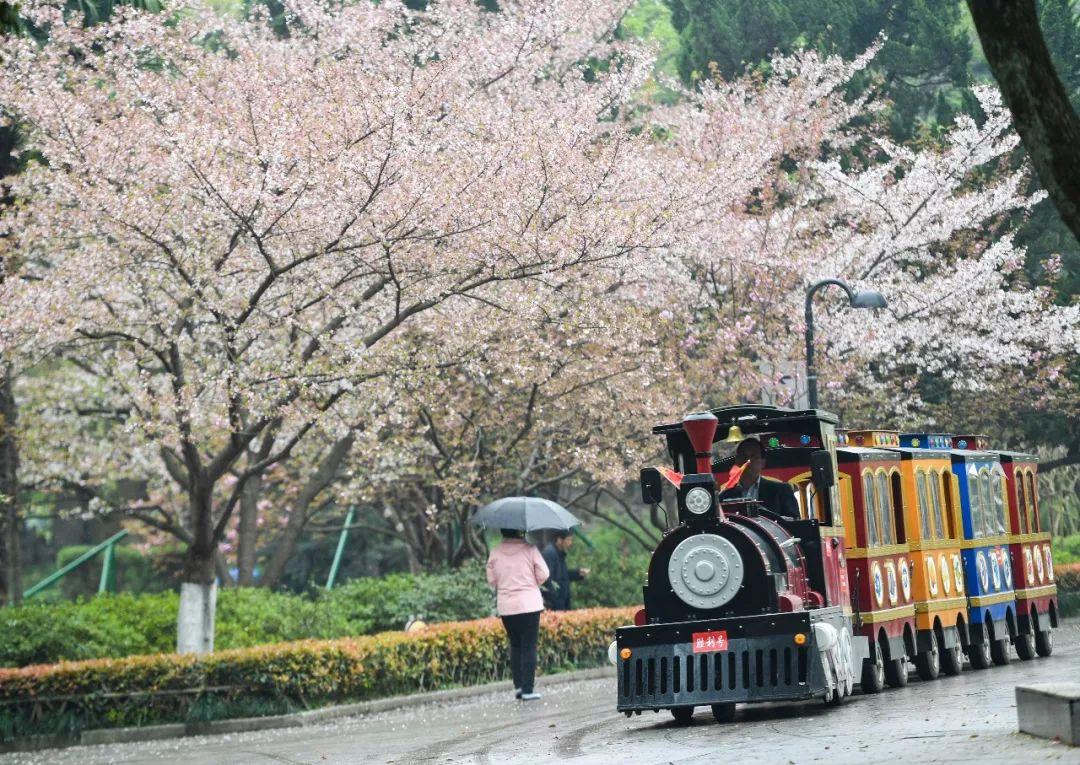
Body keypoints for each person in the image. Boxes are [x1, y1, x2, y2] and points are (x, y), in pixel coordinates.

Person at [486, 528, 549, 701]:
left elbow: (491, 580)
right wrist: (531, 582)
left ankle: (519, 687)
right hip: (529, 604)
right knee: (529, 645)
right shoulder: (530, 550)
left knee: (515, 645)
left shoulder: (495, 552)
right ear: (520, 531)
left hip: (507, 607)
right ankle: (528, 690)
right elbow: (544, 573)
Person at [718, 437, 800, 520]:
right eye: (744, 456)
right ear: (737, 461)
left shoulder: (782, 490)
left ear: (763, 462)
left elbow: (794, 521)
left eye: (753, 456)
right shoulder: (724, 496)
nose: (748, 460)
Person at [541, 531, 590, 611]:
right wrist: (556, 602)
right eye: (568, 540)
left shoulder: (559, 553)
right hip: (555, 604)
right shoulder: (550, 553)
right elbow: (548, 580)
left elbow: (562, 575)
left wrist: (578, 573)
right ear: (559, 540)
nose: (570, 543)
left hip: (562, 601)